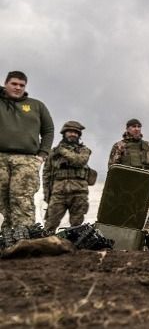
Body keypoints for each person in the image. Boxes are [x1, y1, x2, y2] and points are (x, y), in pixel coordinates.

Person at [0, 71, 54, 230]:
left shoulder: (36, 105)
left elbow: (48, 130)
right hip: (0, 157)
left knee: (22, 199)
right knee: (3, 201)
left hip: (27, 159)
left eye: (21, 85)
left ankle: (23, 238)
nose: (18, 88)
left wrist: (42, 154)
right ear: (5, 84)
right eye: (14, 84)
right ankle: (8, 239)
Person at [42, 121, 93, 231]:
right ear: (64, 133)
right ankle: (46, 246)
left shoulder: (84, 150)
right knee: (50, 225)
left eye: (76, 133)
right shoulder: (53, 153)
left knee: (77, 227)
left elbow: (79, 161)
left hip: (79, 193)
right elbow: (46, 174)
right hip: (58, 193)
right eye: (70, 132)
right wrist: (47, 194)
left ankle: (74, 247)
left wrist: (62, 151)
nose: (73, 134)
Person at [108, 118, 149, 193]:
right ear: (127, 129)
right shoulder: (120, 145)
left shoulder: (148, 146)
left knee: (146, 204)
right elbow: (113, 167)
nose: (137, 129)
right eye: (134, 126)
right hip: (126, 185)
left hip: (145, 184)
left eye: (139, 126)